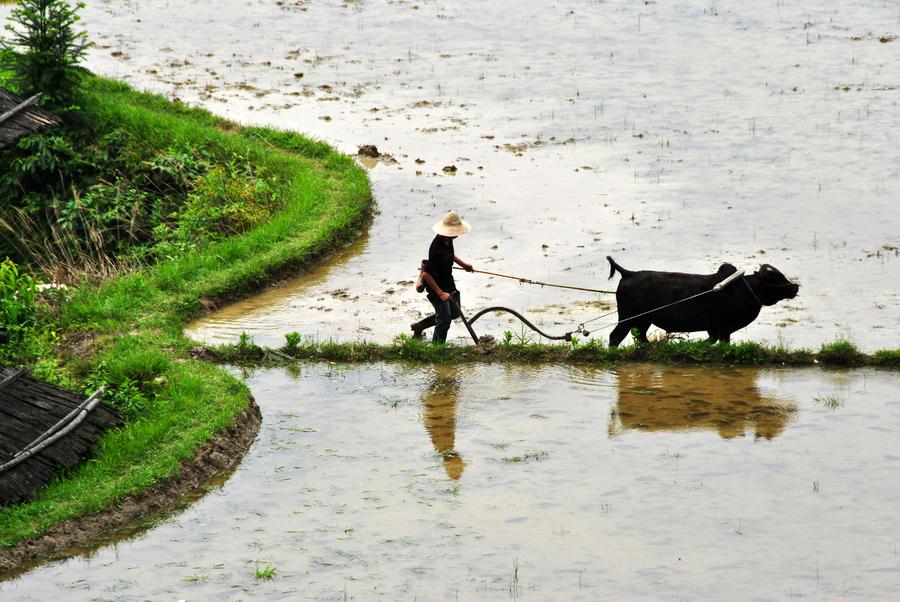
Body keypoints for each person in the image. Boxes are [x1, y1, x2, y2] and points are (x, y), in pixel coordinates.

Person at [410, 211, 474, 343]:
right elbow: (426, 274)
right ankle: (437, 349)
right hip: (436, 287)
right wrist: (440, 294)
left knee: (455, 313)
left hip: (448, 282)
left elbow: (450, 255)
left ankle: (419, 326)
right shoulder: (436, 250)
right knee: (444, 321)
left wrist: (464, 265)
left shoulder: (447, 241)